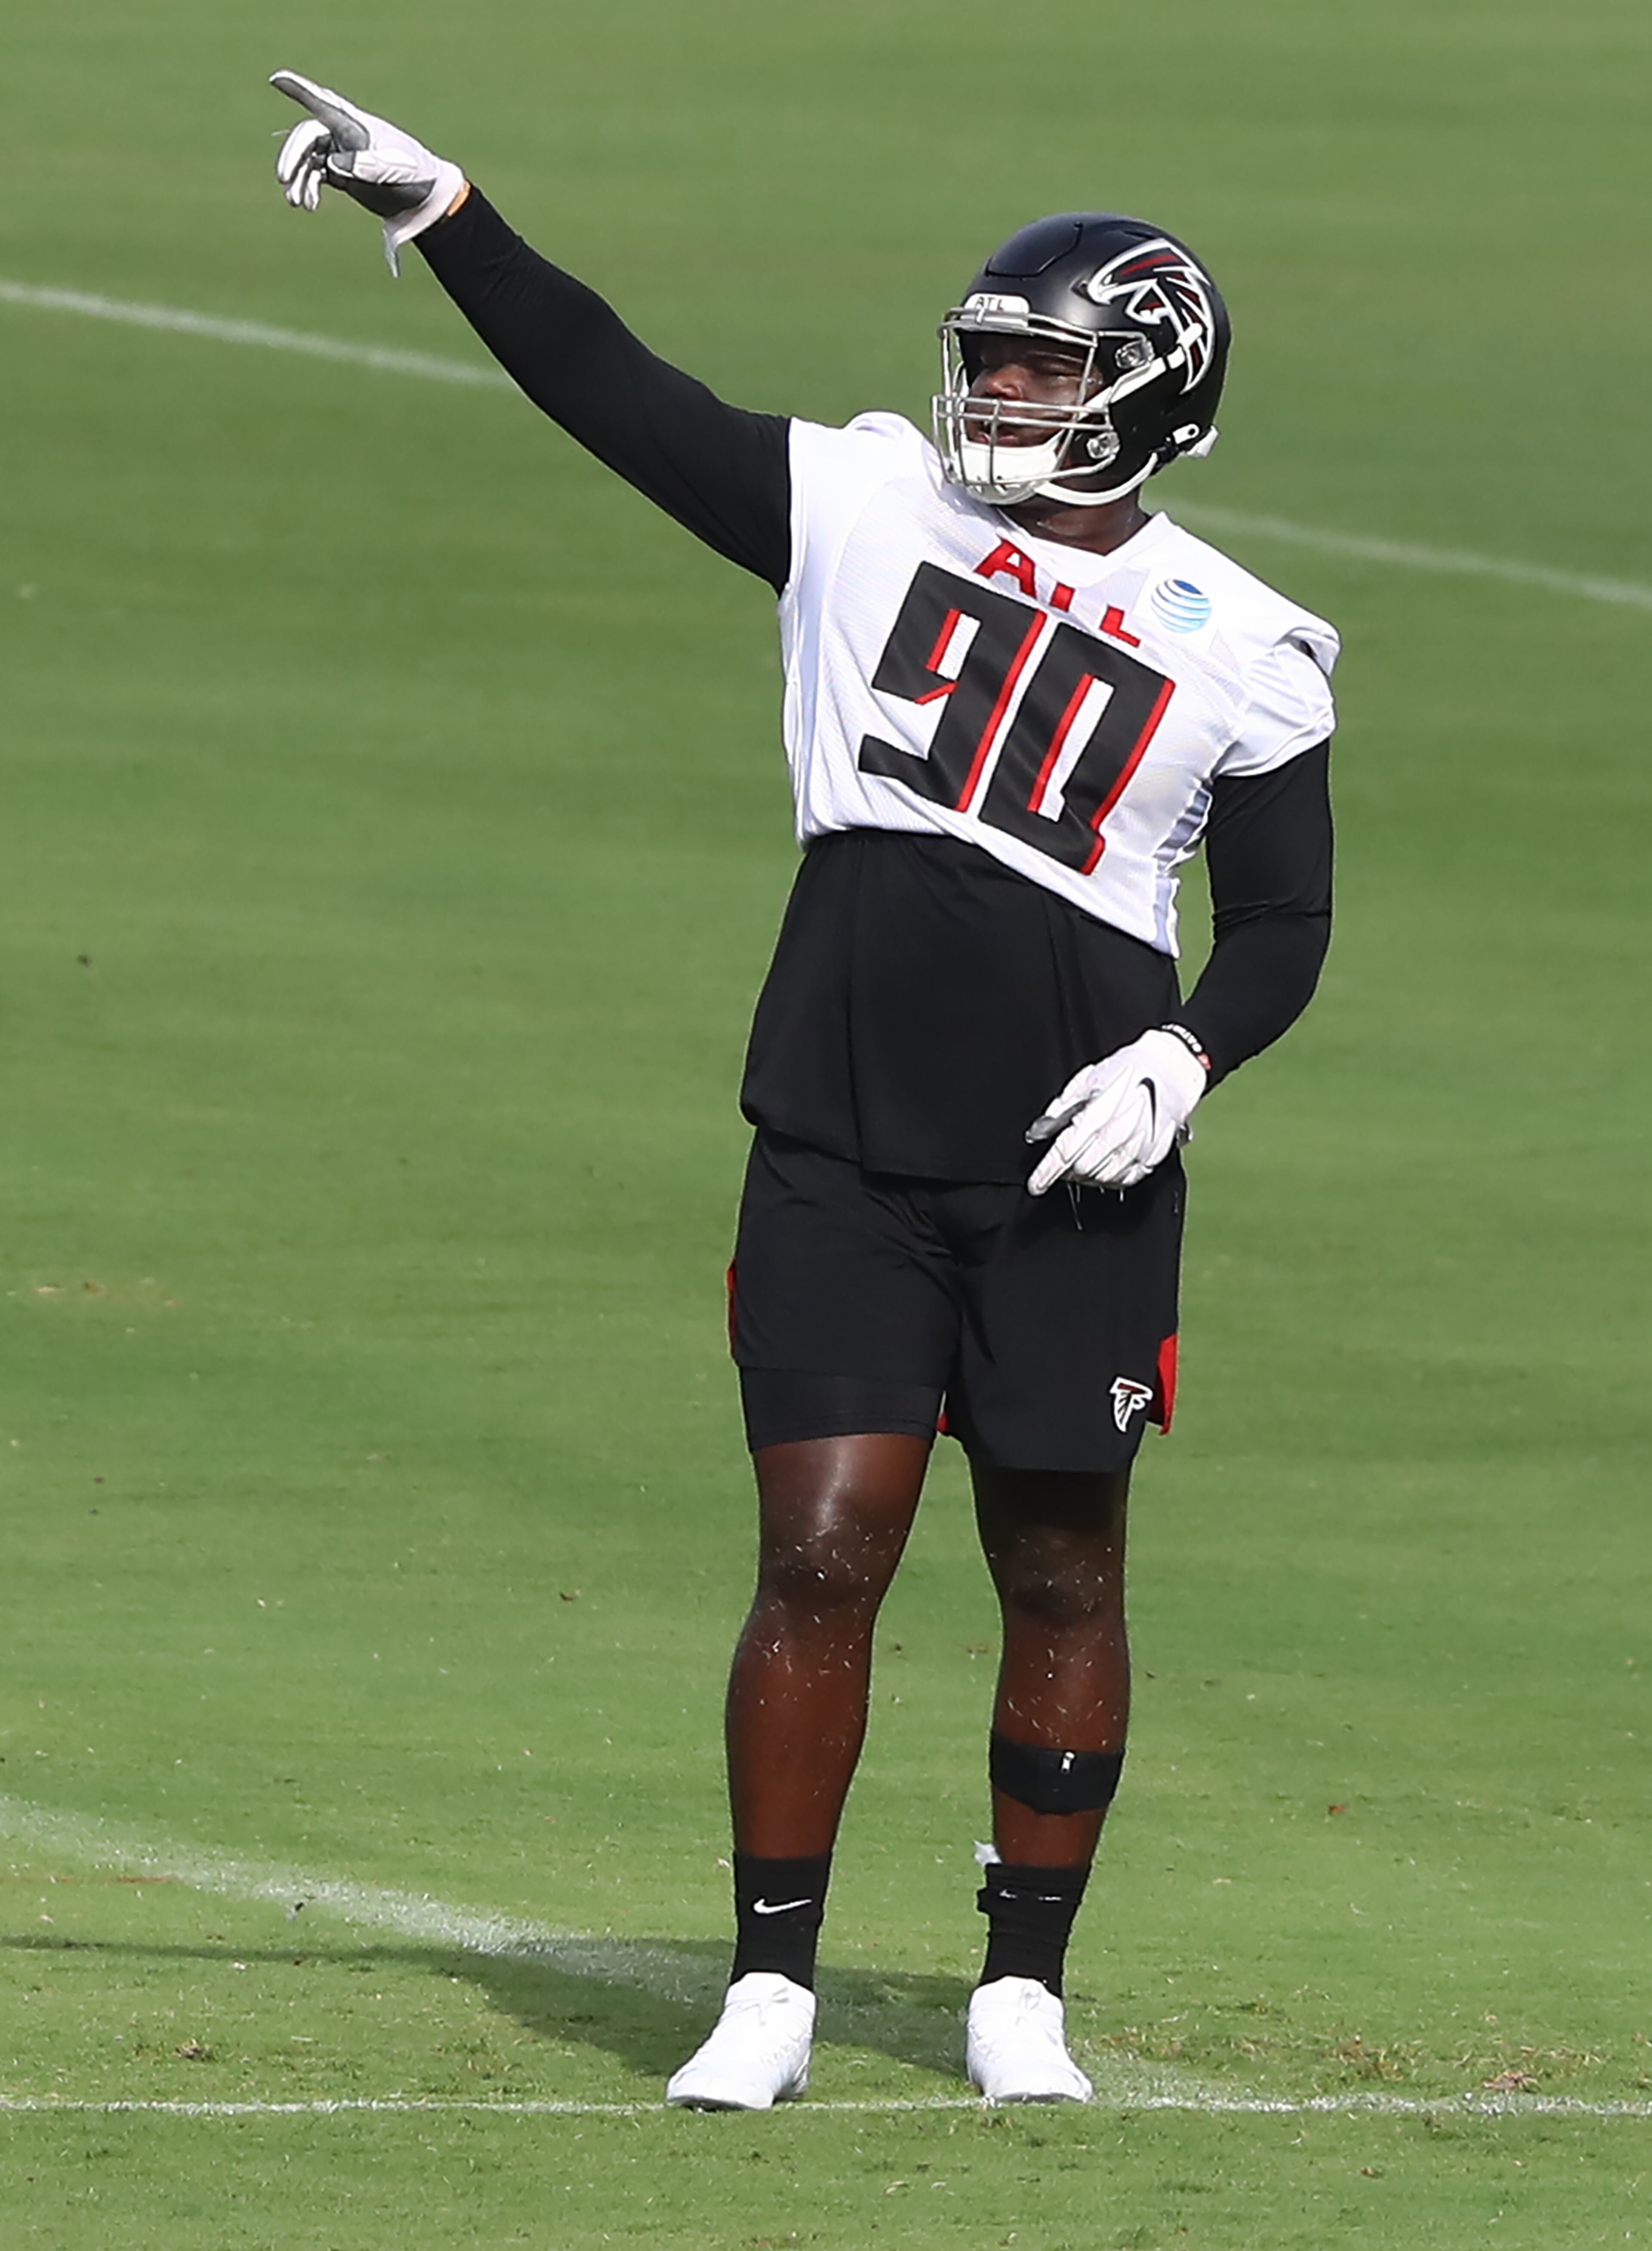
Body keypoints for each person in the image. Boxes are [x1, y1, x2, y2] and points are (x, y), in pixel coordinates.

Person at [270, 72, 1338, 2109]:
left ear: (1147, 391)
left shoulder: (1253, 647)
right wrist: (453, 213)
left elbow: (1287, 923)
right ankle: (770, 1981)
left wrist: (1185, 1055)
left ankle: (1019, 1985)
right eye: (995, 362)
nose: (1000, 398)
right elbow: (618, 390)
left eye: (1043, 371)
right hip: (839, 1128)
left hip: (1074, 1164)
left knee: (1062, 1562)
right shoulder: (862, 502)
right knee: (824, 1547)